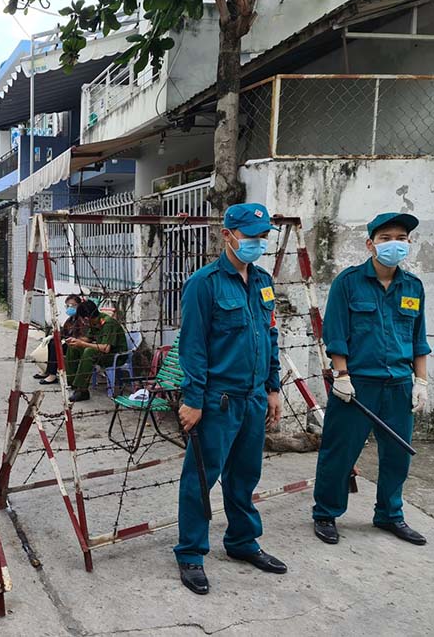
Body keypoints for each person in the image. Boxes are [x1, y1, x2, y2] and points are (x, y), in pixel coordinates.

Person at [174, 202, 284, 596]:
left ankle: (242, 542)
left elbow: (269, 336)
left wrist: (273, 388)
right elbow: (193, 346)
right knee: (201, 479)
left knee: (244, 477)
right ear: (228, 236)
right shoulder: (204, 284)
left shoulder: (262, 281)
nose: (257, 244)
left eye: (262, 238)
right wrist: (193, 399)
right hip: (217, 400)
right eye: (250, 237)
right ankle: (190, 553)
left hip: (254, 398)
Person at [312, 212, 429, 546]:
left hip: (398, 385)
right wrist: (342, 375)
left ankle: (390, 514)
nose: (395, 244)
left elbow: (419, 340)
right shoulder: (348, 283)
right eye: (386, 238)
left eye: (401, 238)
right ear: (370, 244)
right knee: (340, 451)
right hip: (357, 385)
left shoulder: (413, 287)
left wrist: (421, 383)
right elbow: (336, 333)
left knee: (397, 454)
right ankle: (326, 513)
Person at [64, 300, 128, 402]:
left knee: (89, 351)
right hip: (101, 353)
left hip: (116, 356)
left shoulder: (108, 323)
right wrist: (75, 340)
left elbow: (106, 348)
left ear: (86, 318)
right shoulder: (94, 321)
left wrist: (83, 344)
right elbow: (89, 338)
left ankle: (82, 390)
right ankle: (72, 383)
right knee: (73, 347)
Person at [34, 294, 84, 385]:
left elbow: (82, 336)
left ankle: (52, 375)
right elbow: (64, 333)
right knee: (52, 342)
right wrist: (54, 336)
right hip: (69, 342)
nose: (70, 308)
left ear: (79, 306)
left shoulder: (82, 319)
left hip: (77, 344)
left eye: (73, 305)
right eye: (68, 306)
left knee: (55, 345)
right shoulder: (70, 320)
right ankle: (48, 371)